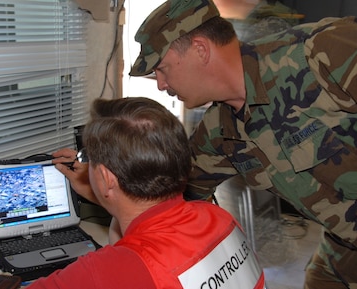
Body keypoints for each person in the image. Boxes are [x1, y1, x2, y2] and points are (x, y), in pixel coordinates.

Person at [128, 0, 357, 288]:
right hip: (344, 243)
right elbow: (173, 197)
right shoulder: (218, 133)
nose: (161, 84)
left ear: (200, 50)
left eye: (162, 69)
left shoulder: (320, 54)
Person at [27, 97, 265, 289]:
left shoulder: (111, 270)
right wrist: (101, 191)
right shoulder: (219, 217)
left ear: (107, 178)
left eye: (90, 161)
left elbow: (129, 263)